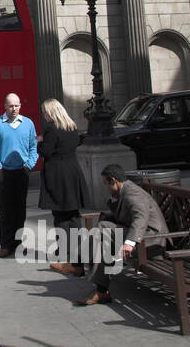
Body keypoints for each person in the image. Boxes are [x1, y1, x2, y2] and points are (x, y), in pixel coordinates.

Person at [74, 164, 169, 307]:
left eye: (106, 184)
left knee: (103, 229)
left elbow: (140, 218)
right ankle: (100, 290)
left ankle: (78, 264)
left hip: (151, 242)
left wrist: (129, 243)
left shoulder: (133, 194)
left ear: (113, 180)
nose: (106, 188)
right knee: (103, 238)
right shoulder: (125, 191)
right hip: (143, 237)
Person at [38, 98, 89, 276]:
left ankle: (68, 258)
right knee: (74, 216)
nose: (44, 115)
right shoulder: (72, 126)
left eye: (45, 112)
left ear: (50, 112)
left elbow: (46, 152)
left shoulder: (52, 129)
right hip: (73, 172)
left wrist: (39, 142)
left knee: (60, 216)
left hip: (58, 175)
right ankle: (77, 257)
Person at [0, 92, 38, 257]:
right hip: (4, 172)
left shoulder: (28, 123)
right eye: (11, 106)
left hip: (21, 171)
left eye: (16, 105)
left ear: (20, 106)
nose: (14, 109)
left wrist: (29, 165)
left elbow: (33, 146)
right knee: (6, 210)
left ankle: (19, 243)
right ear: (5, 106)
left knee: (20, 210)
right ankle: (6, 245)